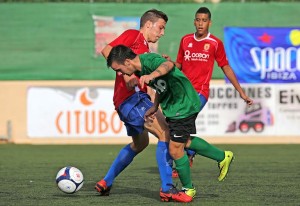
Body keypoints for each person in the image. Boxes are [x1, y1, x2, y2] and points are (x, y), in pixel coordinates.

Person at [106, 45, 253, 201]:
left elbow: (168, 65)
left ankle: (188, 189)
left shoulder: (149, 60)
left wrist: (153, 74)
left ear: (127, 62)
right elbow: (160, 87)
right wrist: (155, 107)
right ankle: (223, 156)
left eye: (118, 69)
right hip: (173, 106)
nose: (120, 74)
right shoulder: (137, 71)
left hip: (184, 104)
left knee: (175, 148)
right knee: (185, 141)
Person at [96, 9, 192, 202]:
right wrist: (127, 75)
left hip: (129, 102)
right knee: (165, 133)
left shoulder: (147, 50)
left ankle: (105, 181)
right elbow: (107, 51)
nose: (162, 32)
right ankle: (167, 188)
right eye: (161, 27)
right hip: (131, 100)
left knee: (141, 143)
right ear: (148, 24)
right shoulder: (134, 35)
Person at [162, 6, 254, 182]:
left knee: (179, 129)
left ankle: (190, 157)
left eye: (204, 20)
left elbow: (225, 67)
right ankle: (210, 156)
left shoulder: (215, 43)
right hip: (182, 93)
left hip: (199, 93)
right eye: (198, 20)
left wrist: (241, 92)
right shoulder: (185, 40)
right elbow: (179, 65)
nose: (200, 23)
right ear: (194, 21)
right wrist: (170, 63)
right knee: (180, 130)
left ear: (209, 22)